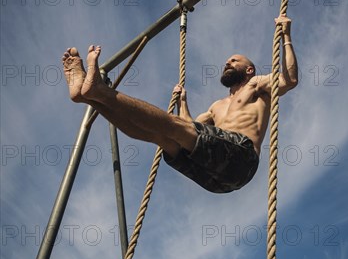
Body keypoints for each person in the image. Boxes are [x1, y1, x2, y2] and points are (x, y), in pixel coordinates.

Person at [62, 15, 298, 193]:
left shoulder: (257, 85)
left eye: (234, 61)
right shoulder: (216, 106)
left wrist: (286, 36)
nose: (228, 62)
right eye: (227, 61)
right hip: (217, 181)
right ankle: (89, 97)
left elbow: (289, 79)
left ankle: (100, 92)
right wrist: (183, 101)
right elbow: (189, 127)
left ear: (248, 69)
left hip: (241, 159)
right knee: (164, 138)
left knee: (173, 128)